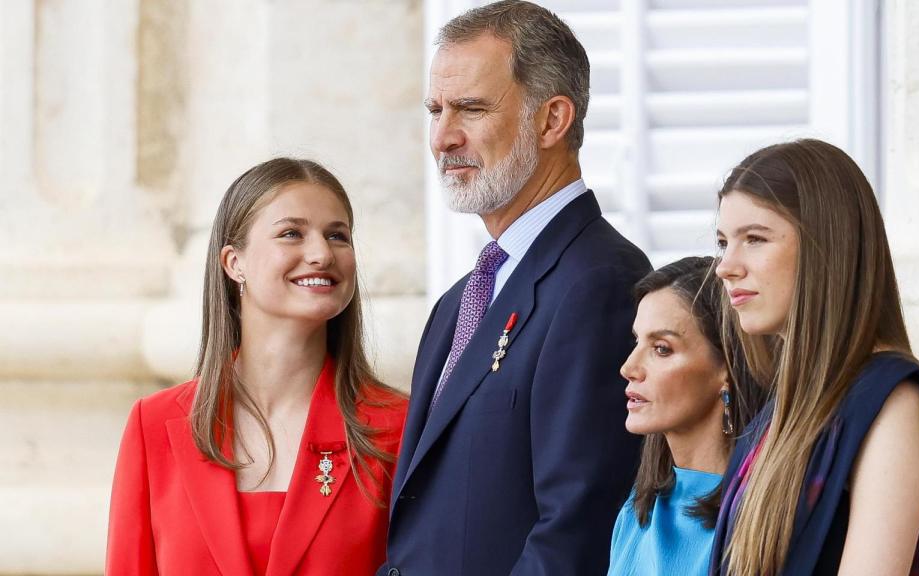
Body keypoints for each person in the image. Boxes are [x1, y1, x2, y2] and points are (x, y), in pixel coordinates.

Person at [379, 2, 652, 575]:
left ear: (552, 120)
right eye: (435, 110)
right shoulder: (460, 300)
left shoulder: (600, 281)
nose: (443, 137)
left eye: (471, 109)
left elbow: (576, 532)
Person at [106, 158, 408, 575]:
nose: (321, 253)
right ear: (234, 263)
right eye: (292, 234)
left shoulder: (398, 427)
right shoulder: (154, 425)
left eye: (337, 236)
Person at [709, 139, 919, 575]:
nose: (725, 266)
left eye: (754, 238)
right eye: (723, 241)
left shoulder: (893, 404)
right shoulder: (783, 407)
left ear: (826, 246)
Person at [609, 257, 767, 576]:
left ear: (727, 368)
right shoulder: (637, 511)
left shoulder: (760, 518)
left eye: (662, 349)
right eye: (637, 342)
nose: (628, 368)